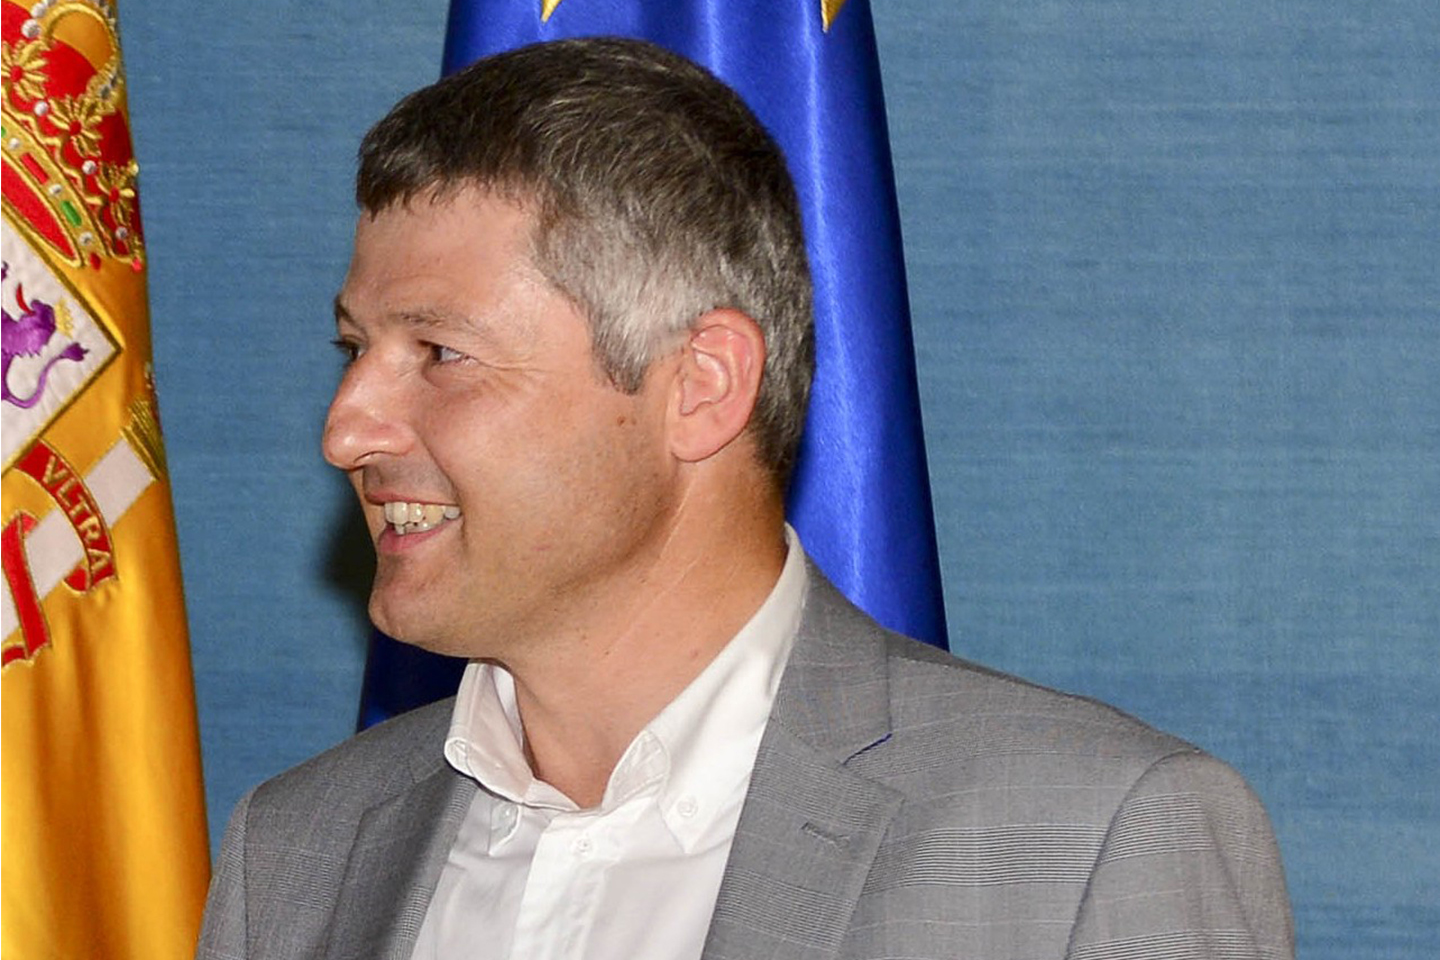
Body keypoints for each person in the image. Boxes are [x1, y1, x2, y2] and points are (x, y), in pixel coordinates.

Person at [196, 37, 1292, 960]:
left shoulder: (1091, 846)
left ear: (702, 387)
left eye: (439, 352)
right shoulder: (292, 856)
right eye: (354, 350)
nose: (345, 430)